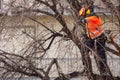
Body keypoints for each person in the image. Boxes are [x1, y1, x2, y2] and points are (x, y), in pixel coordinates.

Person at [79, 6, 107, 75]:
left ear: (87, 14)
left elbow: (91, 19)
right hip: (91, 39)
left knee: (101, 56)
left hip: (99, 39)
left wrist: (85, 19)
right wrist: (86, 35)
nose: (83, 17)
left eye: (83, 16)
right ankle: (86, 66)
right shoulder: (89, 20)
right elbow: (91, 29)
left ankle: (103, 71)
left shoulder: (94, 17)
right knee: (84, 49)